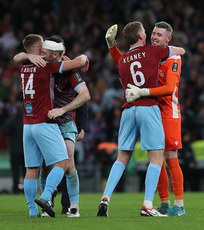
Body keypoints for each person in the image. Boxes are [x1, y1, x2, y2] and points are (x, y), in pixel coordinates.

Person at [97, 21, 185, 217]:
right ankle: (155, 203)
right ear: (141, 36)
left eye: (158, 35)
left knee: (166, 158)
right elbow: (181, 50)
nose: (153, 36)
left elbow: (170, 88)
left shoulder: (130, 59)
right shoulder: (152, 52)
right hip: (150, 108)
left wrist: (112, 46)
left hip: (150, 110)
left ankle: (178, 205)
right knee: (157, 157)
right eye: (151, 32)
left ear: (167, 38)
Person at [13, 34, 89, 217]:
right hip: (45, 122)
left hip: (28, 124)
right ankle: (47, 197)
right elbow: (78, 62)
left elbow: (17, 57)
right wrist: (84, 58)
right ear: (40, 48)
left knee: (32, 168)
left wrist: (26, 56)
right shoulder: (47, 66)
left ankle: (34, 211)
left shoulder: (24, 66)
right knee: (61, 163)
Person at [39, 35, 90, 217]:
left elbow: (85, 95)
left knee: (69, 164)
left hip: (66, 121)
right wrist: (82, 58)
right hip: (46, 122)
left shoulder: (70, 70)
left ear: (58, 53)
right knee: (46, 166)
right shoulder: (42, 67)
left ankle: (73, 207)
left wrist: (63, 110)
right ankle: (48, 204)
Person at [1, 102, 26, 194]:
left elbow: (4, 131)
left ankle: (16, 189)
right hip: (25, 150)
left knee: (15, 172)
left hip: (14, 150)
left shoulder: (11, 120)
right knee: (26, 172)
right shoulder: (26, 120)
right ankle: (26, 189)